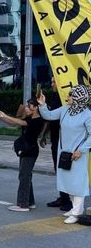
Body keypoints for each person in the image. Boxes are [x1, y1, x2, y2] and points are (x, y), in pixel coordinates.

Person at [38, 85, 91, 224]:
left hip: (78, 154)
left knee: (77, 183)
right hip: (64, 153)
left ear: (79, 98)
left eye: (70, 95)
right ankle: (74, 208)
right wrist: (42, 104)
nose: (67, 97)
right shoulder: (66, 109)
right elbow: (48, 115)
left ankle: (77, 212)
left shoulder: (87, 114)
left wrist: (81, 150)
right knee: (67, 182)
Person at [0, 98, 44, 212]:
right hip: (26, 150)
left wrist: (5, 115)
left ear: (36, 108)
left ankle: (23, 204)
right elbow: (14, 122)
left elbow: (20, 122)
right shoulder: (29, 118)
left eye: (29, 106)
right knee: (26, 176)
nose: (26, 108)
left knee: (24, 176)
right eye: (27, 106)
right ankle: (30, 202)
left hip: (30, 151)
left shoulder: (37, 120)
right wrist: (2, 118)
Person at [40, 77, 72, 211]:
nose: (51, 84)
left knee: (65, 170)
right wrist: (43, 134)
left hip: (65, 141)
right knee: (58, 169)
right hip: (55, 139)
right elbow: (50, 117)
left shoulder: (65, 100)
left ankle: (69, 200)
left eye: (54, 82)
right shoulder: (54, 98)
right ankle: (63, 197)